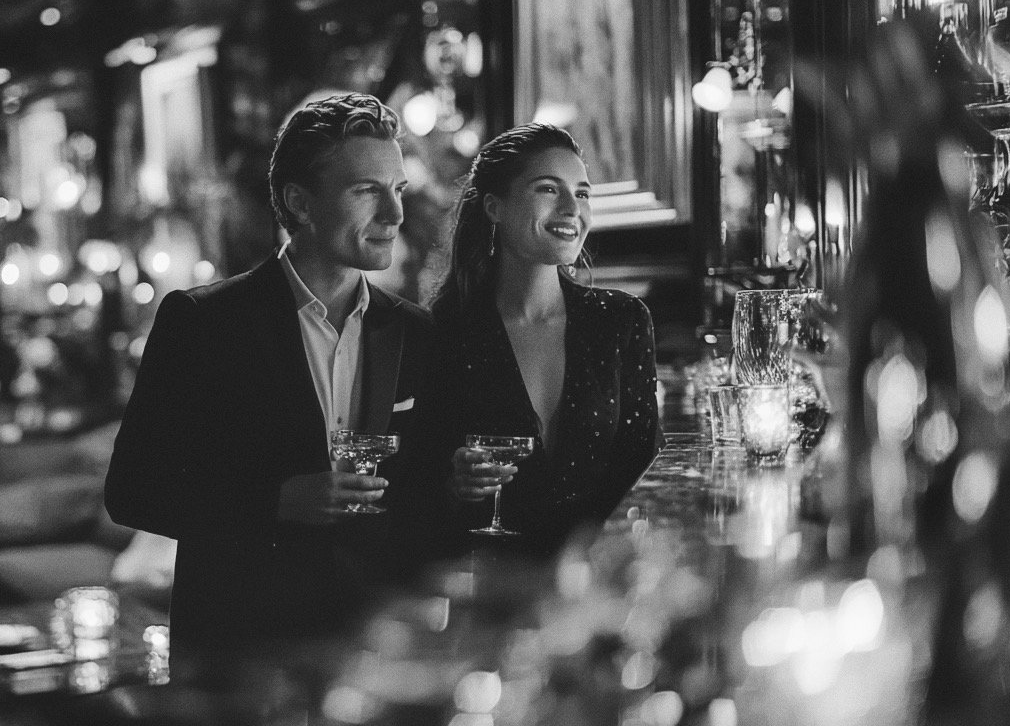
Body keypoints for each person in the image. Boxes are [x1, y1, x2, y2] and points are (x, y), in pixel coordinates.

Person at [105, 93, 433, 659]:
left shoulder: (415, 333)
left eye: (397, 190)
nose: (395, 214)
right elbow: (134, 492)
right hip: (238, 650)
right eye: (367, 191)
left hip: (371, 648)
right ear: (300, 203)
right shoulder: (203, 322)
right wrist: (276, 502)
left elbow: (420, 498)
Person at [396, 122, 660, 565]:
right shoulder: (442, 330)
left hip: (595, 580)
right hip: (489, 580)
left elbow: (642, 468)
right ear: (495, 207)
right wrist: (455, 483)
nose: (572, 208)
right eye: (548, 190)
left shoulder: (622, 321)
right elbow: (418, 486)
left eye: (582, 193)